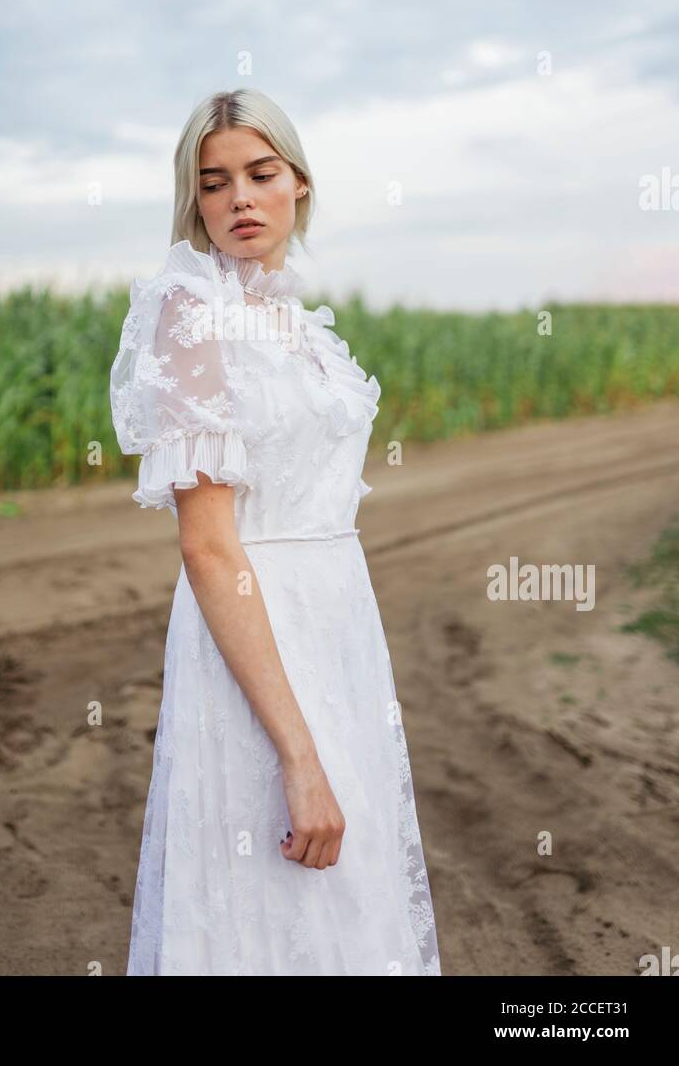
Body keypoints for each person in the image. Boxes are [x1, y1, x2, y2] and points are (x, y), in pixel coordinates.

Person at [109, 87, 441, 975]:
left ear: (299, 183)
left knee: (344, 901)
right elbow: (210, 547)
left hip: (339, 633)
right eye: (214, 184)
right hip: (254, 639)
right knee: (265, 886)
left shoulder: (302, 326)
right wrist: (298, 751)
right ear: (195, 202)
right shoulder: (190, 314)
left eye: (260, 174)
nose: (239, 200)